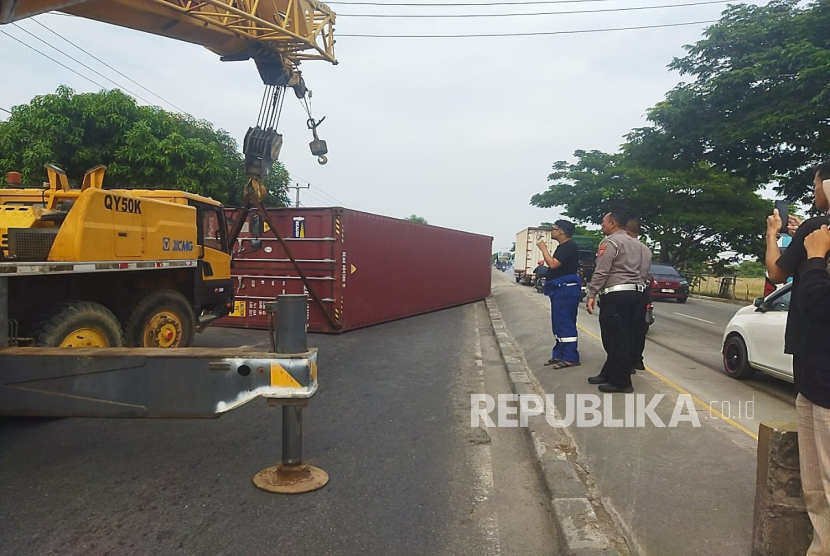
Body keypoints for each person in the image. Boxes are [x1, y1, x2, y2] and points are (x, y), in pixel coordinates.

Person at [766, 160, 830, 554]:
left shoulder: (817, 240)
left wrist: (816, 257)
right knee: (814, 486)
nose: (813, 192)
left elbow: (820, 303)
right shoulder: (814, 229)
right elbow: (776, 274)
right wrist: (776, 234)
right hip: (811, 371)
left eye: (817, 184)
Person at [585, 211, 643, 393]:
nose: (602, 225)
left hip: (616, 295)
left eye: (603, 221)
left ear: (613, 223)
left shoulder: (610, 242)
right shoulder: (639, 245)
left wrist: (592, 293)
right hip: (635, 295)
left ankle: (622, 382)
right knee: (624, 336)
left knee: (615, 339)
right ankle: (609, 372)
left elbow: (602, 271)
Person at [536, 220, 581, 369]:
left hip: (565, 289)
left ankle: (570, 357)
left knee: (565, 322)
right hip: (559, 289)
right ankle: (559, 354)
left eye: (554, 229)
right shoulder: (563, 246)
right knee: (558, 323)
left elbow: (554, 264)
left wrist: (543, 249)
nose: (552, 232)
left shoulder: (568, 246)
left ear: (561, 232)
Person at [626, 219, 653, 373]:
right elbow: (644, 272)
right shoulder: (645, 249)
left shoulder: (626, 247)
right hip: (641, 290)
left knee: (624, 328)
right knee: (638, 328)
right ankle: (637, 359)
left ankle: (626, 361)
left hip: (626, 290)